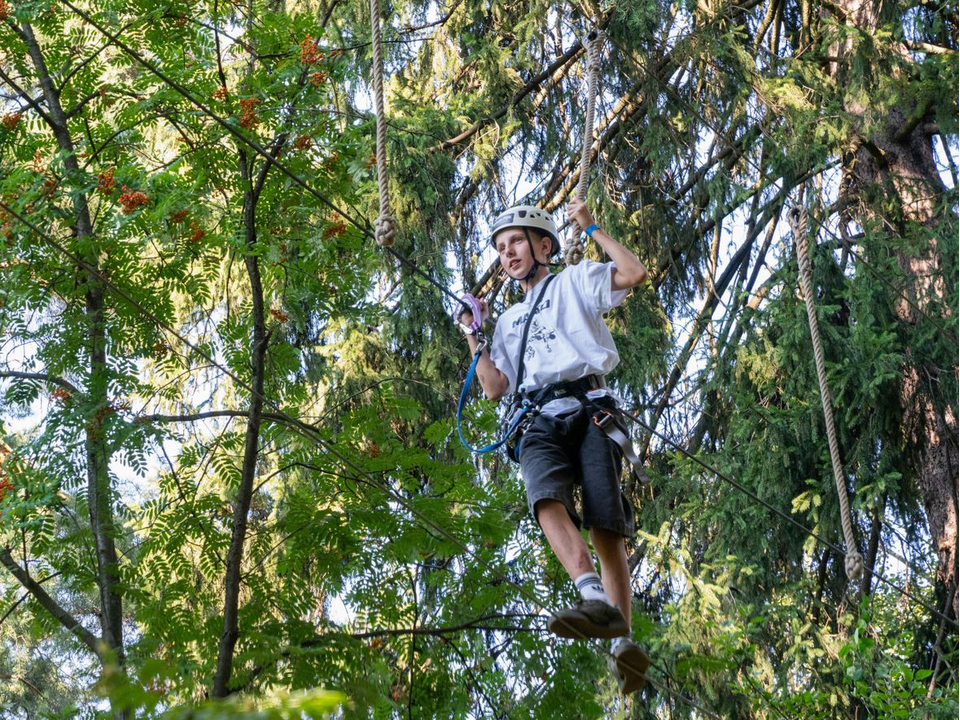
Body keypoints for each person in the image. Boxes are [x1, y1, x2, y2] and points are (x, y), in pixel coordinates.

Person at [459, 198, 651, 694]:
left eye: (517, 241)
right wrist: (474, 339)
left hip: (590, 407)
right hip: (537, 418)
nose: (508, 253)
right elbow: (496, 387)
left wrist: (591, 228)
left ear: (544, 246)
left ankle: (621, 641)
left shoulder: (575, 280)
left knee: (605, 523)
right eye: (501, 248)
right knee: (545, 496)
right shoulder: (506, 322)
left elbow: (633, 272)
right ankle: (591, 596)